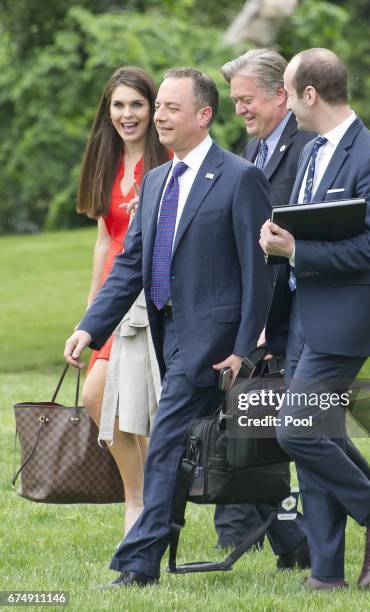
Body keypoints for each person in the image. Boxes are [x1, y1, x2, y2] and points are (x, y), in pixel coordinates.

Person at [64, 67, 305, 588]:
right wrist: (91, 328)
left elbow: (261, 268)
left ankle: (139, 563)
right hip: (168, 336)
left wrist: (244, 346)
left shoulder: (240, 177)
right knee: (237, 444)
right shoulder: (156, 182)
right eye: (162, 108)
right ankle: (298, 542)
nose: (161, 117)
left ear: (203, 115)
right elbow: (130, 266)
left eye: (172, 108)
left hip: (215, 344)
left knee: (168, 440)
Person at [216, 48, 370, 559]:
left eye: (289, 91)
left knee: (296, 429)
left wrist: (294, 249)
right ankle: (325, 570)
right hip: (298, 318)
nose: (286, 106)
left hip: (341, 320)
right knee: (316, 433)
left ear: (308, 94)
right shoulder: (310, 151)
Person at [76, 66, 169, 536]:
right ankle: (148, 498)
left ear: (153, 108)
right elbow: (103, 242)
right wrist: (90, 316)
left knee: (135, 406)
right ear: (107, 111)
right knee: (100, 399)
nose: (127, 114)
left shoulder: (168, 161)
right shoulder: (105, 160)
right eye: (118, 105)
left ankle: (147, 502)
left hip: (150, 302)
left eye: (137, 104)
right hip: (114, 303)